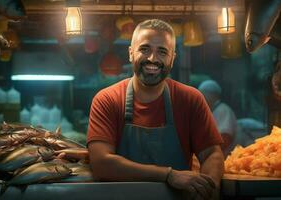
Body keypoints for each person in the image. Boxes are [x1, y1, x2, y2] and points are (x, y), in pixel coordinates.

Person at [87, 19, 224, 200]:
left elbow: (212, 154)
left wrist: (207, 190)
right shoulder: (107, 100)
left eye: (162, 51)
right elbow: (101, 164)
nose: (153, 58)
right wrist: (168, 175)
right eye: (145, 49)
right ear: (130, 53)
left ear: (172, 58)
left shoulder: (191, 99)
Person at [198, 80, 237, 157]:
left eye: (201, 94)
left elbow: (226, 138)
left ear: (212, 95)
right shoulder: (211, 111)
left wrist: (206, 152)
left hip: (223, 159)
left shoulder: (223, 110)